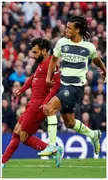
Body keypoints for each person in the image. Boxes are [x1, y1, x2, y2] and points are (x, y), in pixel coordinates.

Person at [39, 15, 106, 156]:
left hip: (75, 88)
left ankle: (52, 146)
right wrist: (48, 77)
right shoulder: (62, 42)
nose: (66, 30)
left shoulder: (88, 47)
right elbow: (53, 60)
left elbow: (96, 60)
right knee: (69, 123)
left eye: (69, 28)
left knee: (49, 108)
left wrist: (105, 70)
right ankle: (94, 135)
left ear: (77, 30)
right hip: (64, 85)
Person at [2, 37, 62, 168]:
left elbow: (57, 84)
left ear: (45, 51)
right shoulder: (41, 64)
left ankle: (54, 150)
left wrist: (46, 102)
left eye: (35, 52)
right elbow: (33, 78)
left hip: (38, 105)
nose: (33, 55)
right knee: (17, 131)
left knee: (23, 136)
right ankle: (3, 161)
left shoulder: (51, 64)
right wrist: (22, 89)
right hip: (32, 103)